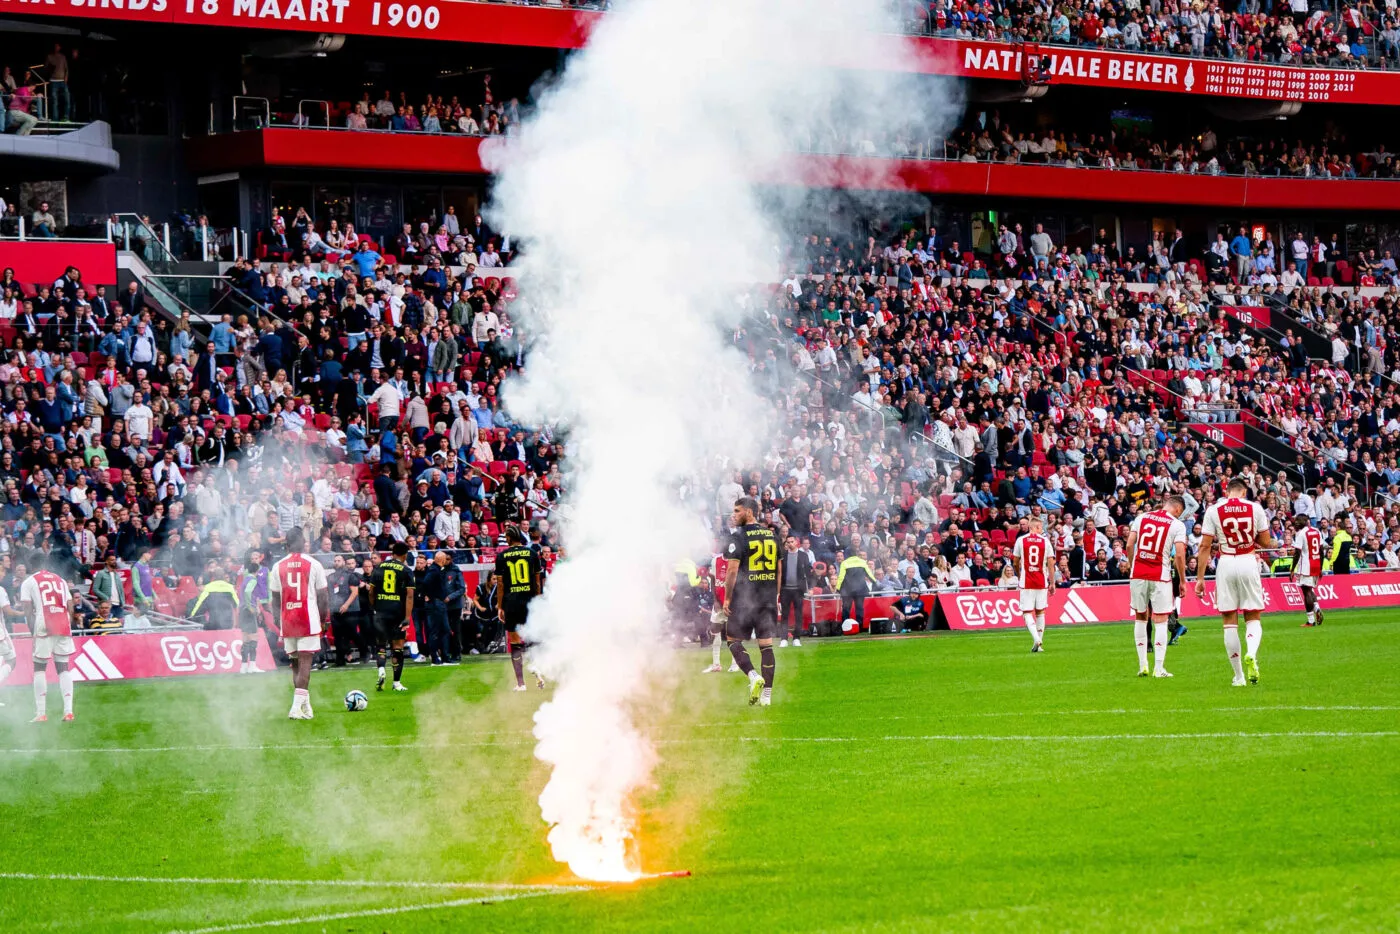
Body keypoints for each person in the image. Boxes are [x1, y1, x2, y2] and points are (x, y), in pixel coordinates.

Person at [1195, 478, 1273, 687]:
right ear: (1244, 491)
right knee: (1253, 615)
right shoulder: (1255, 508)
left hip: (1226, 562)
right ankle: (1252, 654)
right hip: (1248, 560)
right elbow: (1265, 542)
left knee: (1229, 619)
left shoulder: (1214, 510)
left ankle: (1238, 676)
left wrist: (1200, 578)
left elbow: (1204, 546)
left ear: (1227, 491)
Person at [719, 496, 782, 707]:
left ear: (749, 512)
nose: (733, 515)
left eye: (737, 511)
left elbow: (732, 570)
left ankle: (753, 676)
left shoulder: (738, 537)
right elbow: (779, 570)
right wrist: (777, 595)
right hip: (768, 598)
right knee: (766, 646)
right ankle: (767, 697)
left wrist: (727, 598)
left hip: (744, 599)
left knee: (732, 640)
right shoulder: (772, 536)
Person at [269, 529, 330, 719]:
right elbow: (323, 596)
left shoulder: (278, 566)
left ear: (285, 544)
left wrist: (279, 621)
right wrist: (324, 619)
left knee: (295, 664)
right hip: (308, 619)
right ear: (304, 543)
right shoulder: (313, 564)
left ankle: (305, 705)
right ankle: (295, 708)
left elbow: (275, 598)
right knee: (305, 663)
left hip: (288, 620)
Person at [1125, 496, 1187, 678]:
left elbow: (1129, 544)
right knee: (1160, 619)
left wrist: (1132, 565)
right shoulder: (1177, 525)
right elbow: (1180, 556)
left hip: (1138, 573)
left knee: (1140, 617)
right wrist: (1182, 581)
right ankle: (1158, 668)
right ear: (1177, 509)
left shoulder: (1141, 517)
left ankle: (1142, 665)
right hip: (1160, 576)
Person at [20, 565, 78, 722]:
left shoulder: (29, 581)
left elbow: (27, 608)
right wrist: (68, 623)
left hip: (43, 624)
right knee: (63, 668)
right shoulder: (60, 580)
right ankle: (68, 712)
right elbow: (70, 605)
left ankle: (41, 713)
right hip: (62, 623)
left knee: (39, 668)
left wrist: (33, 631)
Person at [493, 525, 545, 691]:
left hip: (511, 602)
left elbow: (500, 584)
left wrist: (500, 606)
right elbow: (537, 581)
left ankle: (521, 683)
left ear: (508, 538)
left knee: (515, 642)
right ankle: (537, 668)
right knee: (533, 637)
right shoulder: (531, 554)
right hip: (529, 600)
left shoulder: (502, 556)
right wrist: (537, 601)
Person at [368, 541, 414, 692]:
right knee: (397, 648)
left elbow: (371, 592)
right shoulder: (406, 570)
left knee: (381, 645)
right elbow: (409, 596)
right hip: (397, 614)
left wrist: (375, 607)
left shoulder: (379, 568)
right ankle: (396, 683)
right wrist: (407, 617)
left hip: (381, 612)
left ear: (392, 553)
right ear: (405, 555)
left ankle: (381, 670)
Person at [1011, 517, 1055, 653]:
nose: (1041, 530)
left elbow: (1015, 563)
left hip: (1026, 580)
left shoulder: (1021, 540)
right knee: (1040, 611)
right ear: (1034, 527)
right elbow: (1051, 563)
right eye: (1040, 527)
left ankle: (1036, 638)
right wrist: (1052, 582)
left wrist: (1019, 575)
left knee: (1026, 612)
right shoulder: (1045, 541)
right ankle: (1039, 644)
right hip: (1041, 581)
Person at [327, 553, 363, 665]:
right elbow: (328, 593)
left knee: (352, 633)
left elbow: (355, 592)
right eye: (335, 560)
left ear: (343, 563)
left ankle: (365, 651)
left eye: (339, 560)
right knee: (337, 635)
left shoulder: (350, 575)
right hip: (335, 609)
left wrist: (346, 605)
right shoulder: (331, 577)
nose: (336, 562)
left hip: (350, 610)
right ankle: (340, 659)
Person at [1291, 515, 1326, 628]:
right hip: (1316, 564)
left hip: (1306, 566)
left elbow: (1297, 552)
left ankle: (1311, 620)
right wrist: (1320, 566)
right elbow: (1321, 551)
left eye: (1297, 522)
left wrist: (1292, 569)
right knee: (1309, 590)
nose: (1295, 523)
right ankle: (1317, 608)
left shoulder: (1301, 534)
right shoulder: (1316, 531)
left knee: (1306, 591)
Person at [777, 534, 812, 648]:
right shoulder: (783, 555)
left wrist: (810, 588)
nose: (790, 544)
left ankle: (797, 638)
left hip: (798, 590)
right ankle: (784, 638)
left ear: (796, 542)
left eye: (792, 541)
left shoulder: (803, 555)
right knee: (785, 615)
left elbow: (808, 573)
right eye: (788, 542)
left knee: (798, 614)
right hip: (785, 589)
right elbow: (779, 572)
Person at [237, 553, 268, 673]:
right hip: (248, 611)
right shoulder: (253, 580)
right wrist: (251, 607)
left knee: (245, 639)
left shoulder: (245, 580)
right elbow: (248, 593)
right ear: (256, 571)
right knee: (253, 638)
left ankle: (243, 666)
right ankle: (252, 665)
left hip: (242, 612)